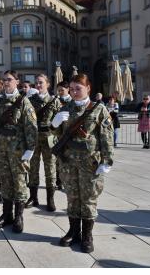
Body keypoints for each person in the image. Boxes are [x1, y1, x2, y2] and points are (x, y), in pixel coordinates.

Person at [51, 73, 114, 253]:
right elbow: (57, 135)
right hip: (68, 162)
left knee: (88, 199)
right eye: (71, 89)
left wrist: (107, 160)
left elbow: (106, 137)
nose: (74, 92)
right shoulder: (65, 107)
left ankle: (87, 235)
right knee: (72, 197)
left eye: (78, 88)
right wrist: (54, 124)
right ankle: (73, 231)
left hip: (89, 163)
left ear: (88, 88)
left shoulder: (98, 109)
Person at [0, 70, 37, 233]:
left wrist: (30, 149)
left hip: (18, 150)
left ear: (17, 81)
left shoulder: (24, 102)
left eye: (9, 79)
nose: (6, 82)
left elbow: (31, 127)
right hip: (1, 149)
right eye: (4, 80)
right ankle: (6, 214)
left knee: (19, 183)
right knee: (5, 181)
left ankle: (18, 216)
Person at [26, 74, 61, 212]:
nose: (38, 85)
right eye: (36, 83)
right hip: (34, 137)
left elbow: (60, 124)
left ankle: (50, 199)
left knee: (50, 168)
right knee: (32, 167)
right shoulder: (30, 100)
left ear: (48, 84)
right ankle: (33, 197)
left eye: (41, 82)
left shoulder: (54, 101)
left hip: (50, 137)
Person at [55, 81, 72, 190]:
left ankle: (69, 180)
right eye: (59, 90)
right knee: (58, 159)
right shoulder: (55, 101)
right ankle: (59, 181)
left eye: (62, 90)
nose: (60, 92)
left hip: (69, 135)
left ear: (68, 90)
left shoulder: (73, 101)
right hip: (58, 135)